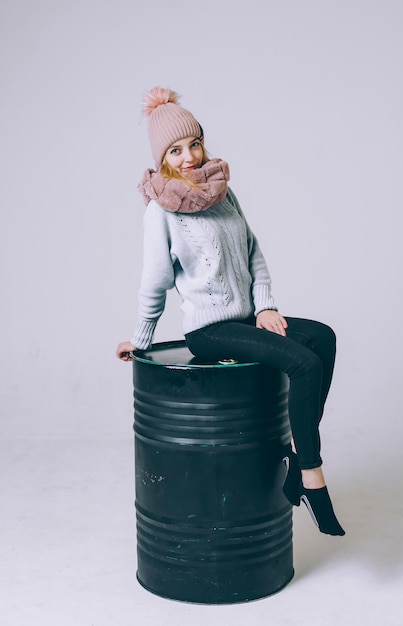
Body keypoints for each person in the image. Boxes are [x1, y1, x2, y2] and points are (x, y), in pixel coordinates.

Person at [116, 86, 345, 537]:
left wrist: (266, 307)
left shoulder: (223, 192)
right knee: (303, 362)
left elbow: (253, 252)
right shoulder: (160, 211)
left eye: (194, 143)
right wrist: (141, 339)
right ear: (163, 158)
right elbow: (155, 281)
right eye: (176, 150)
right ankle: (311, 475)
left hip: (244, 319)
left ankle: (299, 455)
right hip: (210, 330)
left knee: (322, 337)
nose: (188, 157)